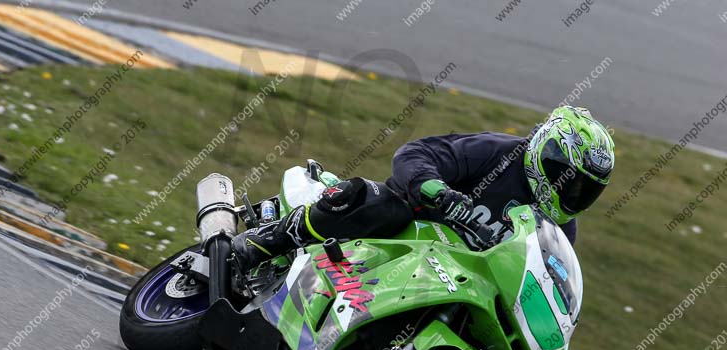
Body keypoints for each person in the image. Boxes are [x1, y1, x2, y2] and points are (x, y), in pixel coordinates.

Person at [231, 105, 615, 271]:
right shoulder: (500, 153)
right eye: (567, 175)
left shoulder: (560, 231)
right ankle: (271, 240)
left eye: (587, 189)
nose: (573, 192)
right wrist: (439, 192)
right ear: (544, 149)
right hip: (407, 229)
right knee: (382, 203)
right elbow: (418, 153)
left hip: (449, 273)